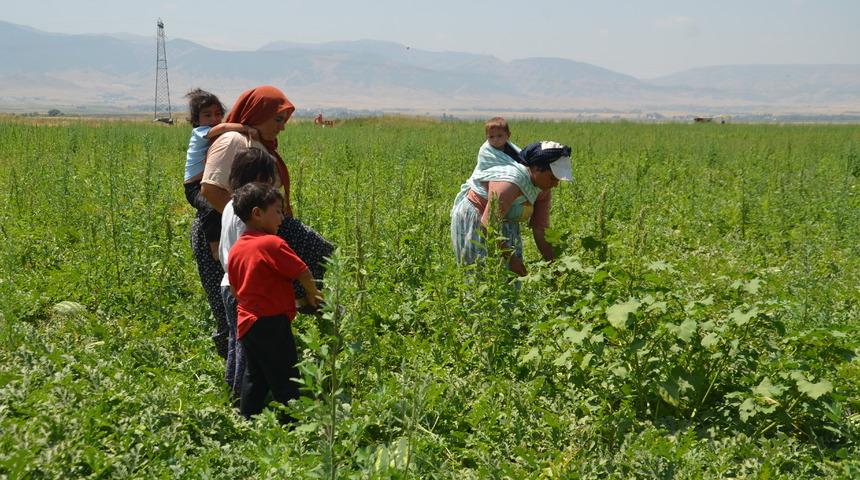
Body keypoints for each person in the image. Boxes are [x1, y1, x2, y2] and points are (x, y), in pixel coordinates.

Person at [192, 85, 332, 359]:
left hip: (248, 234)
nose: (281, 128)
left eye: (284, 121)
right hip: (221, 232)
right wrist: (248, 226)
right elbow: (210, 188)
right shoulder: (233, 140)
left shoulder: (257, 144)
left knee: (255, 306)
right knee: (233, 312)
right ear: (257, 114)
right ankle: (241, 382)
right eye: (277, 119)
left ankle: (255, 369)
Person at [227, 182, 322, 418]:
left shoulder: (237, 248)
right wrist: (314, 294)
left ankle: (246, 418)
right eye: (278, 211)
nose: (282, 216)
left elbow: (234, 289)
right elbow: (302, 272)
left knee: (255, 376)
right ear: (257, 214)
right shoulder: (272, 243)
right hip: (271, 323)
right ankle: (294, 426)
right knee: (286, 376)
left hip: (247, 323)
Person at [450, 141, 573, 277]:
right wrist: (510, 259)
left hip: (504, 221)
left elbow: (540, 229)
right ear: (537, 168)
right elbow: (488, 227)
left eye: (558, 180)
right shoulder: (509, 184)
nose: (555, 184)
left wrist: (554, 265)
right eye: (552, 178)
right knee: (479, 276)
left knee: (511, 281)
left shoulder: (543, 188)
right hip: (477, 219)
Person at [218, 148, 278, 399]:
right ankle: (245, 398)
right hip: (244, 289)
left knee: (236, 340)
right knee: (248, 345)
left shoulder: (231, 205)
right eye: (267, 181)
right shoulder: (249, 217)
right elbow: (252, 256)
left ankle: (232, 388)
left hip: (227, 284)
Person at [183, 89, 259, 258]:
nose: (214, 119)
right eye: (207, 115)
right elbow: (224, 127)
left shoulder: (214, 135)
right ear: (197, 120)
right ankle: (214, 247)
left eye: (218, 114)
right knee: (210, 207)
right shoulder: (200, 132)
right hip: (194, 186)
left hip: (206, 181)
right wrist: (247, 128)